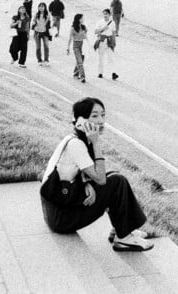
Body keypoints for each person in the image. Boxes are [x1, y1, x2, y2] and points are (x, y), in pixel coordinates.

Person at [40, 97, 152, 252]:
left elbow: (73, 171)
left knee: (114, 176)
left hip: (59, 210)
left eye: (102, 115)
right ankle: (124, 239)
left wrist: (86, 183)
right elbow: (100, 178)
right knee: (116, 182)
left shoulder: (76, 139)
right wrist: (97, 142)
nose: (100, 120)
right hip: (61, 218)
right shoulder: (77, 144)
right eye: (94, 116)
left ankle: (121, 228)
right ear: (81, 120)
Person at [94, 9, 117, 80]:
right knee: (101, 57)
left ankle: (113, 73)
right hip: (102, 40)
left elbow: (113, 32)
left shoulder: (112, 23)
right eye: (104, 14)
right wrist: (103, 28)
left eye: (106, 14)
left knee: (111, 58)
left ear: (109, 15)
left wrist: (114, 41)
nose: (105, 15)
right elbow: (96, 31)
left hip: (109, 41)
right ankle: (100, 73)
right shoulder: (100, 22)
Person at [66, 14, 88, 83]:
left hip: (83, 45)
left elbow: (85, 36)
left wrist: (88, 45)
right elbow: (70, 38)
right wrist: (68, 48)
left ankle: (76, 73)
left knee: (81, 60)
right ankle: (82, 77)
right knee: (80, 61)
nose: (83, 19)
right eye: (82, 18)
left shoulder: (84, 27)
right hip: (76, 45)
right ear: (78, 19)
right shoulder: (73, 28)